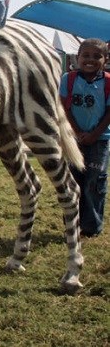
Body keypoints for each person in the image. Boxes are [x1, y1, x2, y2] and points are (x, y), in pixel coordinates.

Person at [60, 38, 110, 238]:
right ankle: (73, 225)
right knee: (73, 182)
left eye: (97, 56)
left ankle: (91, 227)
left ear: (105, 59)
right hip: (74, 140)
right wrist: (78, 132)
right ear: (77, 57)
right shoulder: (68, 79)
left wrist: (94, 134)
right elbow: (65, 108)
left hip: (100, 140)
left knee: (93, 182)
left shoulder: (107, 82)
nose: (90, 59)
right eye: (85, 55)